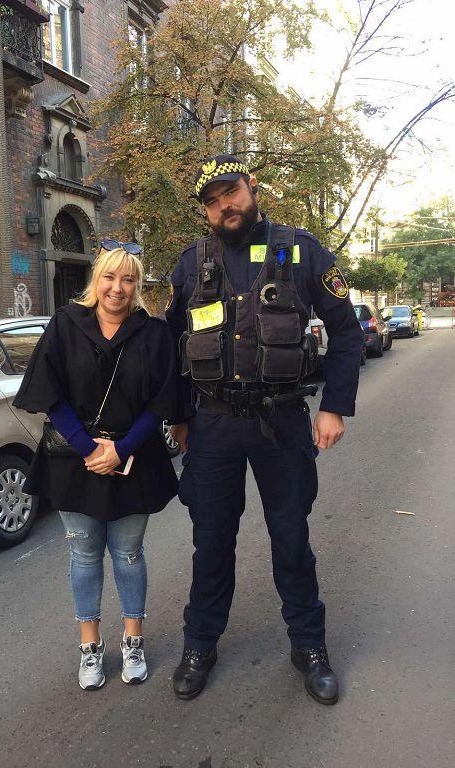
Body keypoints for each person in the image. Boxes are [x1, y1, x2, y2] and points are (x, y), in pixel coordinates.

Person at [165, 155, 364, 704]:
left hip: (282, 420)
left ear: (251, 187)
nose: (223, 206)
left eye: (230, 192)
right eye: (212, 201)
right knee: (211, 541)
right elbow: (169, 346)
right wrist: (179, 416)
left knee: (291, 538)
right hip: (214, 425)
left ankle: (309, 645)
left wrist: (334, 407)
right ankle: (200, 643)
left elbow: (347, 331)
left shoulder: (300, 251)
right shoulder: (192, 263)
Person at [13, 242, 179, 691]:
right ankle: (90, 645)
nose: (117, 288)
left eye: (128, 279)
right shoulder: (66, 325)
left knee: (128, 554)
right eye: (109, 276)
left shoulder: (154, 333)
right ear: (96, 279)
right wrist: (90, 449)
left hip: (134, 459)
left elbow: (161, 402)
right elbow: (50, 396)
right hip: (75, 460)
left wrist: (120, 449)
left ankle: (133, 639)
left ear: (137, 285)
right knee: (84, 555)